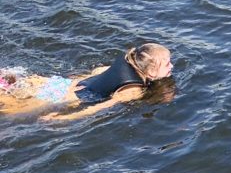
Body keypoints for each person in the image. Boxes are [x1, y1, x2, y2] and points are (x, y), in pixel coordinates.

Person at [1, 43, 174, 122]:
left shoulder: (121, 63)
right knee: (10, 110)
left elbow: (94, 74)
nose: (171, 66)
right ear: (151, 72)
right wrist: (67, 117)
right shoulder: (134, 90)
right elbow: (100, 107)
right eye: (167, 64)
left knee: (19, 85)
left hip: (61, 83)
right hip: (63, 96)